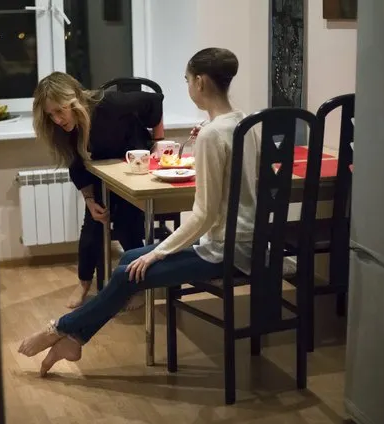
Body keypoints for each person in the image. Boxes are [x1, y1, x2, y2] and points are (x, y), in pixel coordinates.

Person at [19, 47, 260, 377]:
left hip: (224, 250)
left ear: (200, 82)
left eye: (188, 80)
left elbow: (203, 215)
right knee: (129, 261)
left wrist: (157, 253)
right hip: (244, 239)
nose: (188, 86)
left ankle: (58, 330)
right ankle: (71, 337)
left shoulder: (212, 134)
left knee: (129, 268)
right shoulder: (244, 123)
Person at [32, 72, 165, 309]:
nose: (57, 120)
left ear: (74, 101)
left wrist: (158, 142)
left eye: (60, 111)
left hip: (131, 169)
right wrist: (89, 199)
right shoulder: (66, 130)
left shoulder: (112, 104)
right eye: (50, 115)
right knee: (92, 226)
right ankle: (84, 283)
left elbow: (155, 101)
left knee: (127, 226)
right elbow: (77, 166)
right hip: (103, 175)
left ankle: (139, 286)